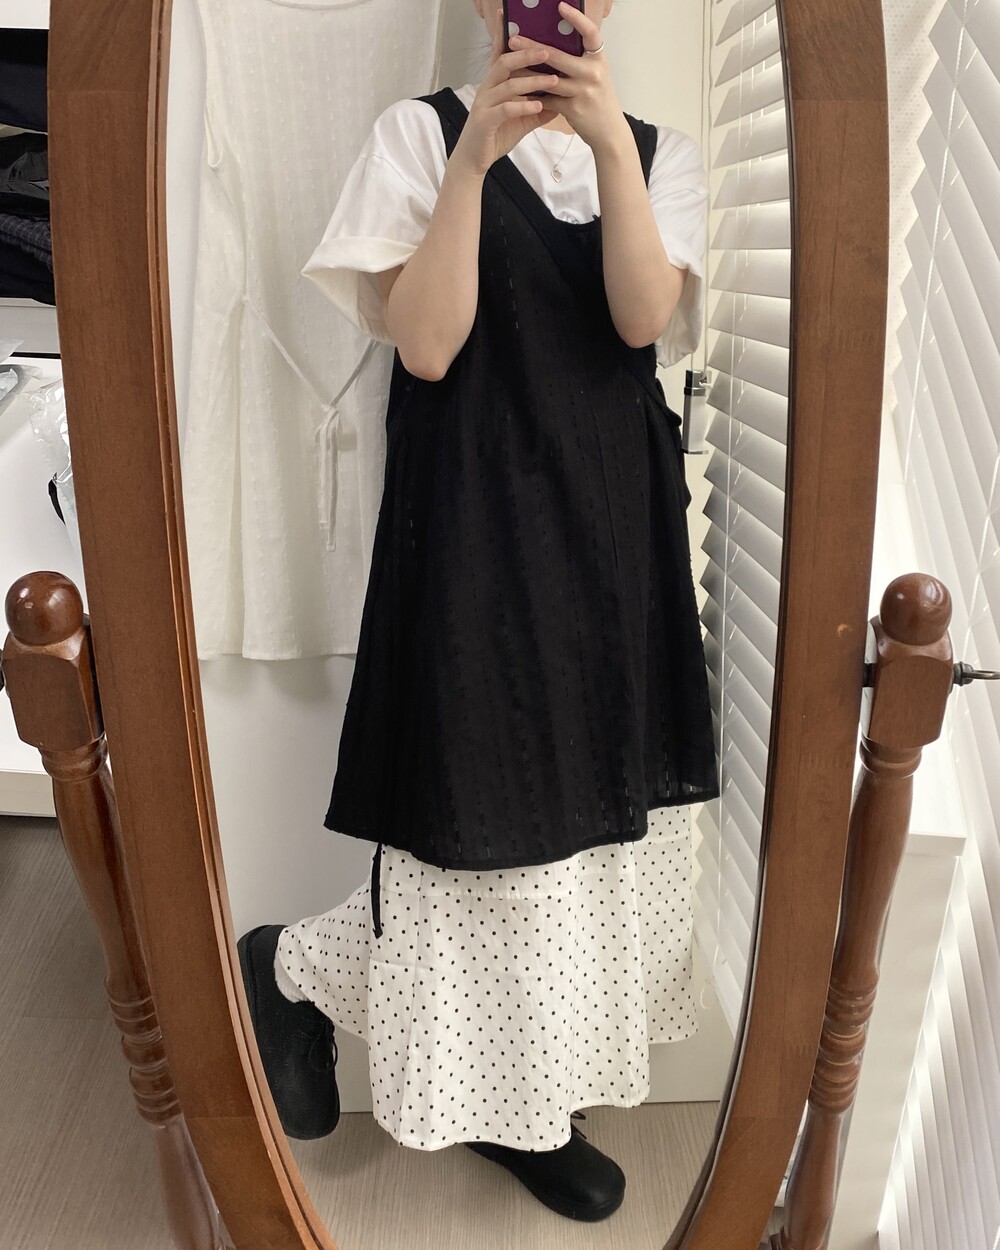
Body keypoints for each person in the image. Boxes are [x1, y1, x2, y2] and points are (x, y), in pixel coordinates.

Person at [238, 0, 719, 1223]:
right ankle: (343, 999)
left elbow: (640, 321)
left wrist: (608, 148)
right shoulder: (416, 138)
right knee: (478, 842)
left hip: (613, 542)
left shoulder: (659, 154)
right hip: (470, 537)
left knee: (596, 843)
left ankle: (511, 1085)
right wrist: (469, 166)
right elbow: (428, 345)